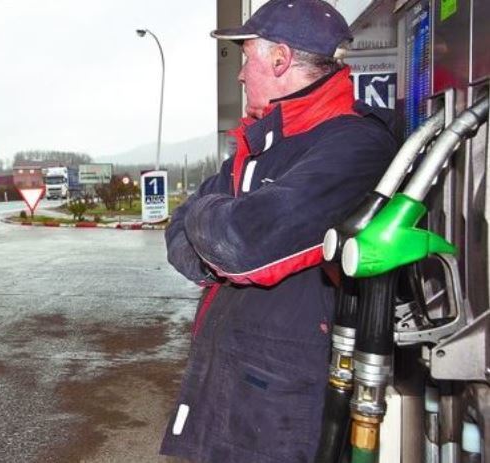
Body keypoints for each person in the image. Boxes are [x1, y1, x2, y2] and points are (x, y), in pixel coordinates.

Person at [159, 1, 399, 462]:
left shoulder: (354, 144)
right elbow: (182, 238)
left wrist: (205, 216)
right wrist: (214, 231)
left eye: (245, 57)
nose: (241, 74)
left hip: (284, 412)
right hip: (232, 393)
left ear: (280, 59)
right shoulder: (262, 140)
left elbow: (242, 246)